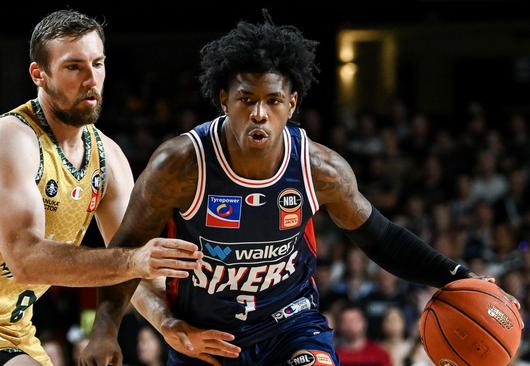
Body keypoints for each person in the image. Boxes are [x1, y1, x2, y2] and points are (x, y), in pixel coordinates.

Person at [80, 11, 520, 366]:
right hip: (204, 336)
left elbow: (382, 239)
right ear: (222, 100)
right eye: (246, 99)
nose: (258, 113)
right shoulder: (179, 165)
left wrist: (458, 275)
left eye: (272, 101)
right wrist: (105, 329)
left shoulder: (320, 169)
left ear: (292, 104)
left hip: (290, 326)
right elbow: (125, 252)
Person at [0, 10, 202, 366]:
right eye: (74, 67)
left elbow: (133, 271)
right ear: (39, 74)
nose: (91, 79)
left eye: (97, 64)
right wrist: (134, 261)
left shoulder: (109, 158)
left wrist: (169, 323)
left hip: (16, 332)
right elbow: (26, 260)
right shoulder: (8, 140)